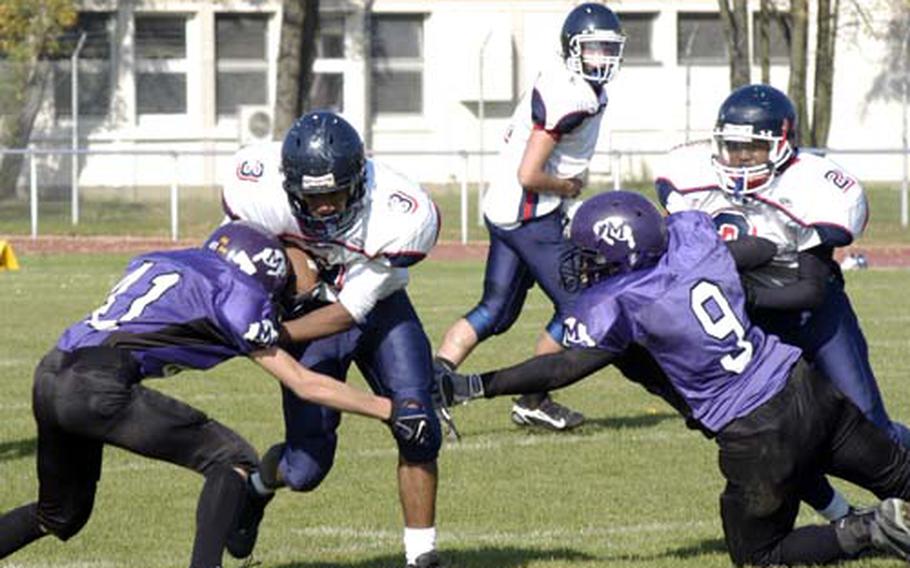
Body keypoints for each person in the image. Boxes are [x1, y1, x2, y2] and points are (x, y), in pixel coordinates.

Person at [436, 190, 910, 566]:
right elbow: (759, 246)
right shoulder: (692, 241)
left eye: (588, 254)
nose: (582, 264)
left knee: (760, 556)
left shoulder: (622, 299)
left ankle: (869, 529)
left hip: (757, 430)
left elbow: (563, 366)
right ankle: (880, 516)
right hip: (805, 382)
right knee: (899, 473)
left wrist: (479, 384)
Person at [0, 221, 428, 568]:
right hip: (96, 386)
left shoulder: (164, 260)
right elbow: (303, 382)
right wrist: (390, 408)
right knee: (233, 461)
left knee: (58, 514)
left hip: (51, 374)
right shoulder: (237, 294)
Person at [656, 83, 910, 520]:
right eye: (731, 147)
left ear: (781, 145)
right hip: (750, 325)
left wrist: (743, 293)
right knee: (779, 435)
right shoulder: (691, 176)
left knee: (869, 425)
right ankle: (844, 520)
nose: (738, 159)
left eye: (752, 149)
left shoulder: (813, 185)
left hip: (812, 313)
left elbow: (810, 289)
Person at [221, 111, 443, 568]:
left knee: (417, 423)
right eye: (313, 196)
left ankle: (421, 556)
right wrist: (291, 257)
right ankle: (257, 488)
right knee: (305, 470)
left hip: (376, 308)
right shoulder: (258, 188)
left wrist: (271, 337)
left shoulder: (400, 214)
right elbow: (243, 240)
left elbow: (348, 313)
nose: (324, 207)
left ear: (358, 179)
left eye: (336, 193)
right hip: (308, 312)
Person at [433, 2, 626, 431]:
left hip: (508, 209)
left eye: (608, 49)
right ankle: (533, 398)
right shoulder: (571, 96)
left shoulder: (574, 83)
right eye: (593, 49)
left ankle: (431, 384)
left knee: (496, 311)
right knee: (582, 307)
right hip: (528, 214)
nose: (602, 59)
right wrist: (569, 187)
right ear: (572, 49)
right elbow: (530, 173)